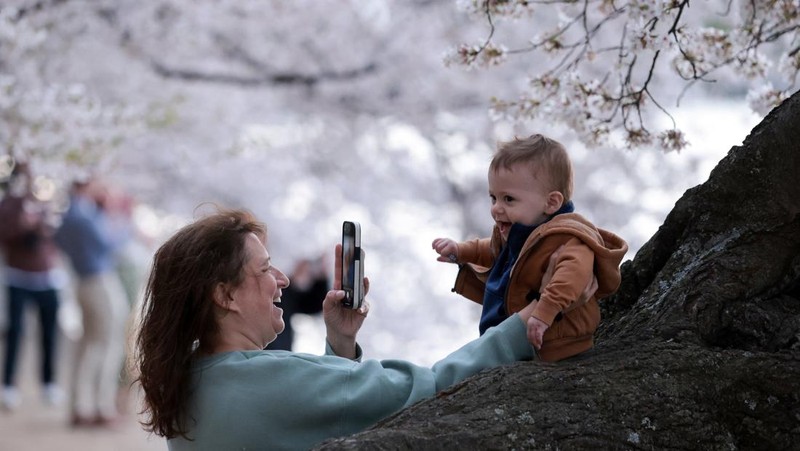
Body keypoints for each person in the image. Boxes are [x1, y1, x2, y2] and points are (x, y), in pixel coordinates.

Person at [133, 208, 586, 450]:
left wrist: (340, 344)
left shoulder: (194, 379)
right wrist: (526, 322)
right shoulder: (262, 379)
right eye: (266, 270)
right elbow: (428, 389)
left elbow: (297, 420)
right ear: (224, 296)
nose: (284, 281)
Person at [432, 133, 628, 362]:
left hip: (555, 343)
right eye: (493, 198)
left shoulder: (567, 237)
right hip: (511, 338)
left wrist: (544, 314)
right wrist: (461, 250)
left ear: (551, 202)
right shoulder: (520, 231)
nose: (496, 208)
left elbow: (573, 276)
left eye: (509, 199)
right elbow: (493, 251)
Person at [54, 177, 131, 427]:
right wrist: (122, 221)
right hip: (99, 281)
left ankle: (81, 405)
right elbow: (110, 243)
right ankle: (100, 406)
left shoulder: (68, 216)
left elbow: (58, 241)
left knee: (89, 343)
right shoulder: (85, 216)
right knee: (106, 343)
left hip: (82, 281)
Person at [0, 162, 66, 410]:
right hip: (18, 276)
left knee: (49, 333)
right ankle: (8, 385)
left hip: (47, 277)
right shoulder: (8, 205)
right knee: (15, 332)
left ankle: (49, 383)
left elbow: (56, 234)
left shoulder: (45, 203)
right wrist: (23, 223)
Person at [265, 255, 328, 351]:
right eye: (265, 269)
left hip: (282, 356)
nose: (284, 280)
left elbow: (312, 305)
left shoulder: (284, 294)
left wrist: (321, 277)